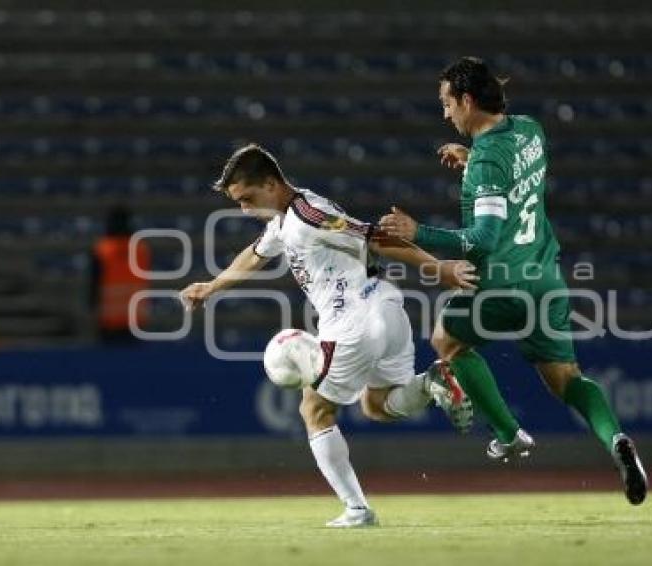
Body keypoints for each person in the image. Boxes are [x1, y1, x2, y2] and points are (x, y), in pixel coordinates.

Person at [379, 56, 648, 505]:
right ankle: (616, 439)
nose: (445, 114)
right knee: (567, 379)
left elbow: (482, 240)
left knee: (446, 340)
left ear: (467, 100)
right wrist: (472, 162)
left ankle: (508, 434)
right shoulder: (530, 130)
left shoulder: (487, 162)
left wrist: (417, 232)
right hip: (546, 279)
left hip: (502, 284)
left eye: (447, 104)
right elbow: (517, 180)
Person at [179, 144, 475, 527]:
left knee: (314, 409)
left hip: (352, 322)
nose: (245, 210)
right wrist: (212, 287)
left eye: (248, 199)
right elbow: (256, 254)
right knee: (377, 405)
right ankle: (432, 382)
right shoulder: (285, 218)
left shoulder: (309, 215)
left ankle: (357, 509)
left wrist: (440, 269)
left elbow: (375, 238)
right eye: (238, 203)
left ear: (271, 184)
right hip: (386, 309)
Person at [91, 205, 150, 343]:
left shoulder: (102, 249)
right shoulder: (141, 249)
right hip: (136, 319)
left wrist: (93, 308)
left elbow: (94, 284)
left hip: (109, 321)